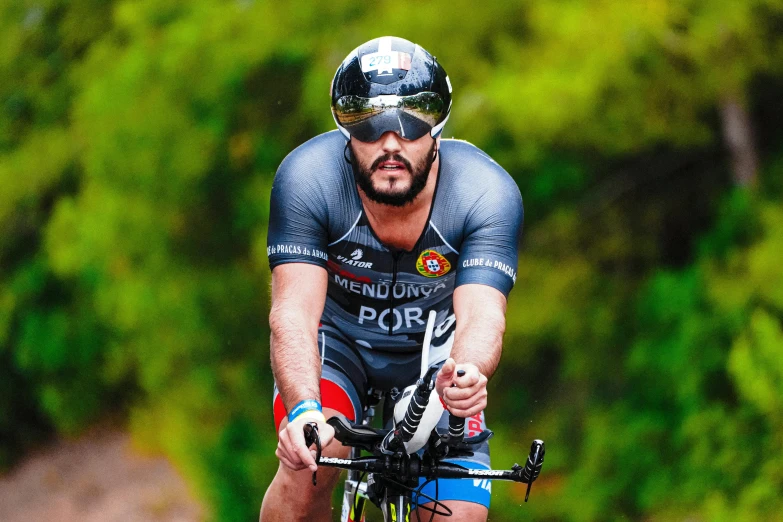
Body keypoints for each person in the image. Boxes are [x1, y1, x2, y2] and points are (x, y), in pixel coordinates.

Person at [260, 36, 523, 522]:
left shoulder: (485, 193)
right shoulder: (307, 179)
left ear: (437, 128)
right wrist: (302, 410)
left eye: (410, 128)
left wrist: (467, 373)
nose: (390, 145)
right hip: (337, 347)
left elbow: (484, 312)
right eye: (369, 128)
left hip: (437, 355)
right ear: (346, 131)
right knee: (308, 462)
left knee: (459, 515)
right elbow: (293, 313)